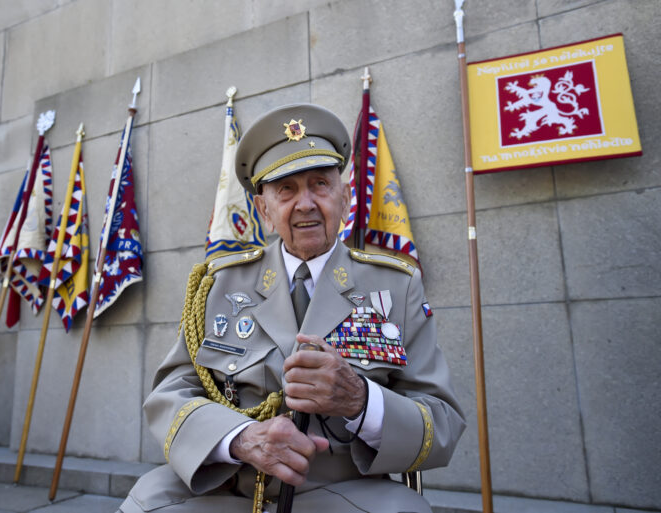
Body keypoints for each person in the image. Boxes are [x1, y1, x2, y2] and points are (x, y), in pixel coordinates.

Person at [119, 103, 465, 513]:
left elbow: (441, 424)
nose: (305, 203)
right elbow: (170, 395)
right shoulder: (217, 284)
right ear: (263, 210)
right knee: (143, 503)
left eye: (320, 184)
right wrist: (240, 439)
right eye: (286, 189)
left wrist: (360, 401)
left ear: (345, 198)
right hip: (225, 485)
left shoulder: (396, 286)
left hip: (343, 490)